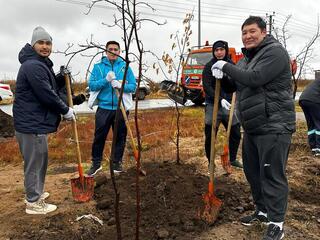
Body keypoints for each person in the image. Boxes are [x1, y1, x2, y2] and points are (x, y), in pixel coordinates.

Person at [211, 16, 296, 240]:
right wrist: (222, 75)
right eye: (244, 33)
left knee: (271, 174)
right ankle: (262, 211)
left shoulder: (275, 52)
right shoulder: (247, 58)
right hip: (253, 127)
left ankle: (277, 223)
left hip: (274, 125)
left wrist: (226, 65)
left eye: (252, 31)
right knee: (253, 172)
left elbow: (255, 78)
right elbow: (239, 82)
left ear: (264, 32)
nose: (247, 36)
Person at [13, 26, 75, 214]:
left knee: (40, 160)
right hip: (32, 123)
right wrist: (65, 110)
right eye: (41, 43)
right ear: (33, 45)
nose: (45, 46)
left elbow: (48, 85)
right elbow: (46, 93)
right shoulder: (33, 65)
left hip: (34, 122)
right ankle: (33, 202)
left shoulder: (40, 63)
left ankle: (36, 192)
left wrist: (60, 77)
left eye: (48, 43)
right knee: (35, 162)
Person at [86, 40, 136, 176]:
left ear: (120, 52)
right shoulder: (98, 67)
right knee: (99, 137)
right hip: (104, 108)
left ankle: (116, 162)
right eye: (110, 49)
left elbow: (133, 86)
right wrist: (106, 80)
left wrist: (120, 85)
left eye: (116, 50)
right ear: (106, 51)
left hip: (121, 109)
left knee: (120, 136)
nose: (113, 52)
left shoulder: (125, 67)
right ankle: (96, 164)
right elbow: (92, 85)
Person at [202, 40, 243, 169]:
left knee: (236, 132)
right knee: (210, 135)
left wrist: (225, 76)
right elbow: (207, 86)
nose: (219, 52)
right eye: (216, 50)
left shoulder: (231, 65)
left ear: (225, 50)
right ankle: (210, 162)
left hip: (229, 105)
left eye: (221, 49)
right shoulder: (209, 66)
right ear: (213, 52)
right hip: (212, 104)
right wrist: (219, 99)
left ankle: (232, 159)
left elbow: (234, 85)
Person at [299, 77, 320, 157]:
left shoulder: (317, 80)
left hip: (303, 100)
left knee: (311, 124)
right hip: (314, 100)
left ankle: (313, 147)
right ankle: (319, 148)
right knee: (319, 123)